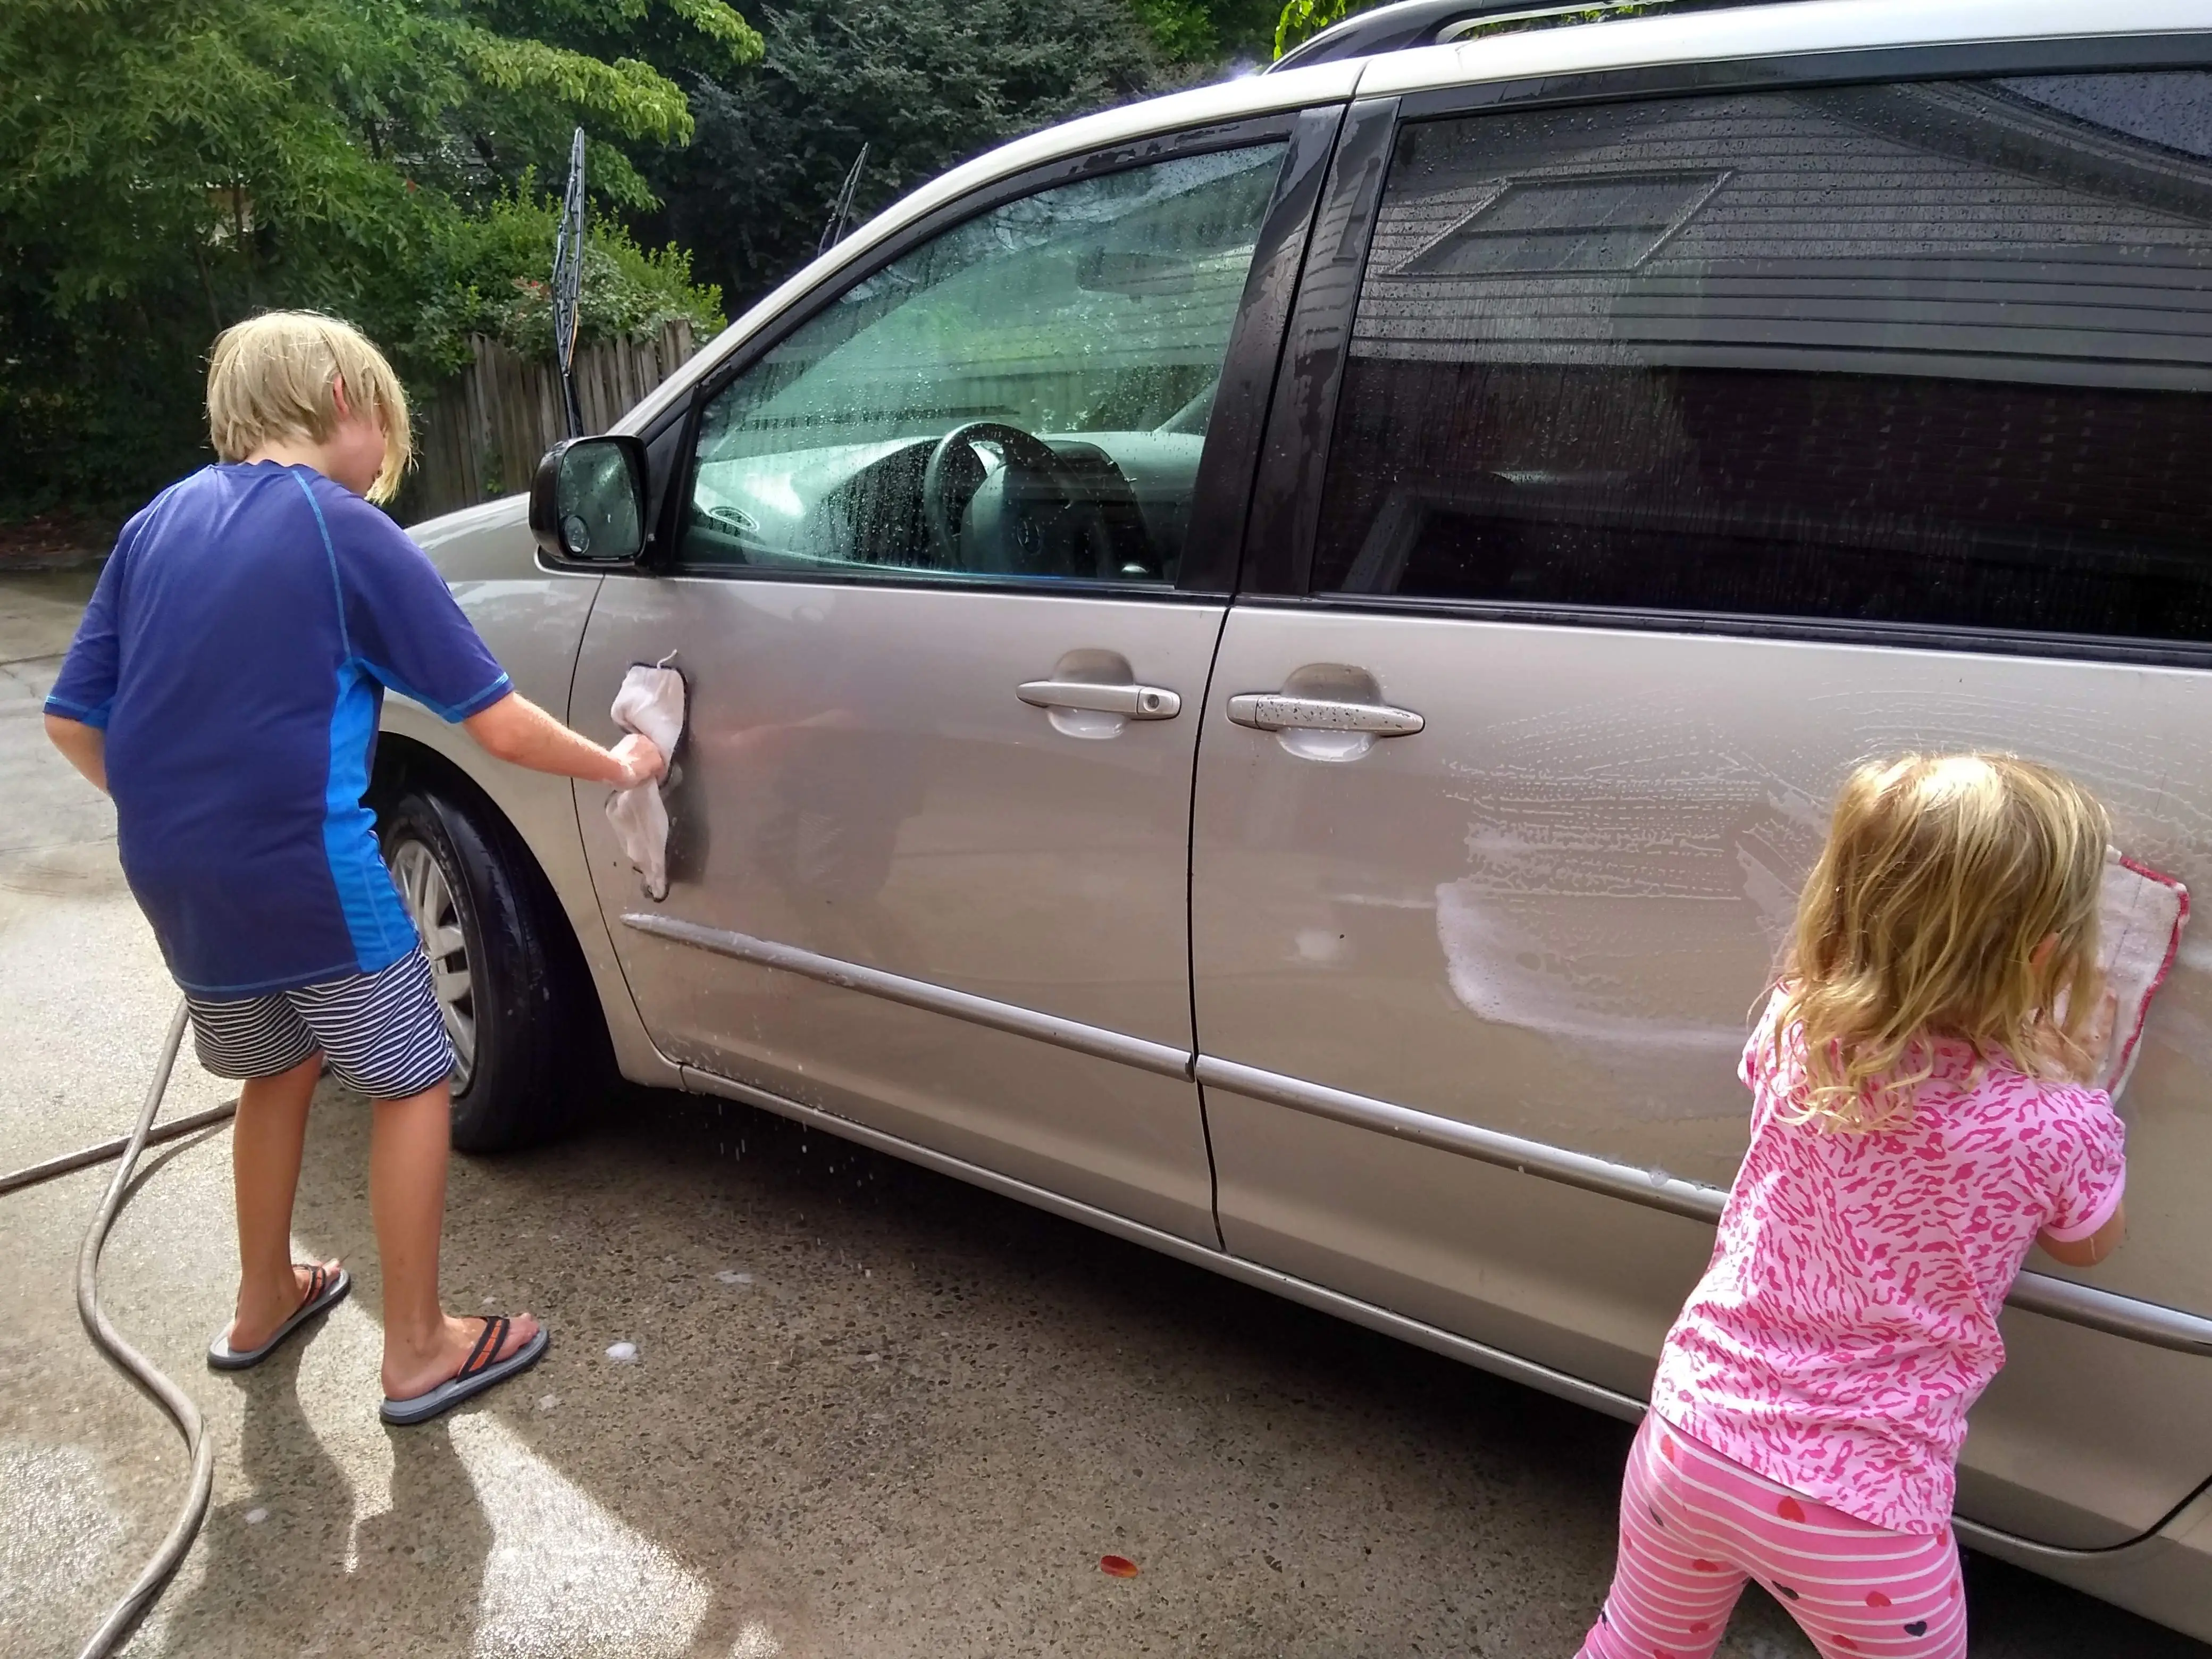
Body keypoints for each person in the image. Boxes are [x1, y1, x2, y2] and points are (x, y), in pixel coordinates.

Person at [41, 310, 665, 1425]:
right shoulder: (343, 533)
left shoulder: (153, 525)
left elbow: (72, 722)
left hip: (174, 872)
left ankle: (260, 1298)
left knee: (276, 1070)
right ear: (341, 399)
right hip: (305, 867)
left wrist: (186, 814)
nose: (390, 455)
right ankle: (420, 1348)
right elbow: (501, 724)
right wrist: (620, 763)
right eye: (389, 423)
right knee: (413, 1077)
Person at [1577, 753, 2128, 1659]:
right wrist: (2077, 1077)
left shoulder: (1798, 1029)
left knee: (1636, 1644)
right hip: (1861, 1513)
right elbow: (2090, 1244)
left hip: (1693, 1435)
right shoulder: (2057, 1119)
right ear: (2043, 955)